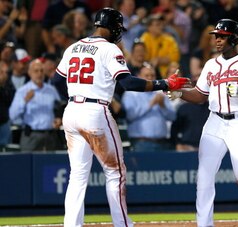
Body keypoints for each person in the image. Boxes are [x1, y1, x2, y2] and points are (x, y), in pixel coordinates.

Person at [55, 7, 190, 227]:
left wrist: (78, 92)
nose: (119, 32)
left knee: (78, 176)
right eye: (118, 27)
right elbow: (128, 83)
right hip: (95, 111)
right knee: (115, 172)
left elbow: (57, 82)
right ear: (112, 27)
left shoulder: (73, 47)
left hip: (71, 111)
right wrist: (164, 83)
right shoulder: (109, 49)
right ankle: (123, 224)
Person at [167, 19, 238, 227]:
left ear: (234, 38)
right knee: (204, 177)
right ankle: (204, 224)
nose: (217, 40)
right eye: (216, 36)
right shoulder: (211, 64)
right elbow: (201, 95)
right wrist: (179, 92)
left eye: (222, 36)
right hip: (215, 122)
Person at [9, 59, 62, 152]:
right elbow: (12, 115)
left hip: (50, 135)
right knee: (26, 165)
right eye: (36, 71)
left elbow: (59, 108)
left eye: (41, 71)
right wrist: (25, 100)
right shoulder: (23, 91)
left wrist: (59, 118)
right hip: (31, 136)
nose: (39, 74)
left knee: (51, 165)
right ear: (29, 73)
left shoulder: (51, 90)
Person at [122, 64, 176, 152]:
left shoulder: (161, 94)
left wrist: (163, 106)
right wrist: (150, 104)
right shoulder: (130, 94)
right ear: (138, 77)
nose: (150, 78)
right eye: (146, 75)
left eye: (152, 75)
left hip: (163, 143)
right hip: (141, 143)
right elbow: (130, 116)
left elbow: (173, 117)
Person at [0, 61, 15, 150]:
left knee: (6, 151)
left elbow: (11, 101)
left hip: (4, 123)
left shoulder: (9, 85)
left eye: (6, 72)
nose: (5, 75)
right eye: (2, 72)